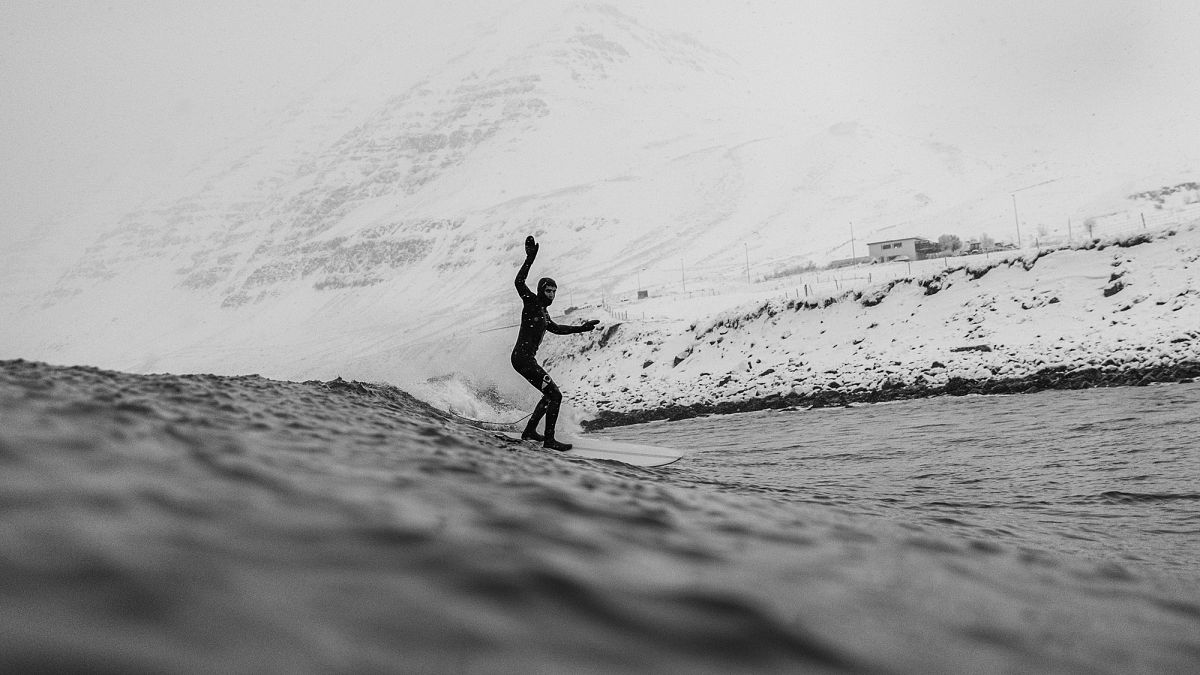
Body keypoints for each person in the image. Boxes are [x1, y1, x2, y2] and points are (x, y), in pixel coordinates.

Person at [511, 235, 599, 451]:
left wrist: (582, 328)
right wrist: (529, 259)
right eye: (548, 291)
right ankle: (549, 441)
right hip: (521, 359)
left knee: (550, 395)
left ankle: (530, 431)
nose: (551, 294)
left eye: (554, 291)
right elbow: (519, 282)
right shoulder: (532, 302)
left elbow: (557, 328)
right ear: (541, 291)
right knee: (555, 395)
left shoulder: (544, 313)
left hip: (525, 359)